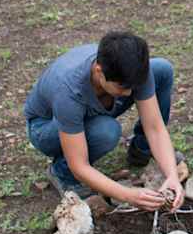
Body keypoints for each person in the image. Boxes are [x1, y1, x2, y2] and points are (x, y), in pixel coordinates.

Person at [24, 31, 184, 210]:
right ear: (99, 71)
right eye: (123, 87)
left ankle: (141, 150)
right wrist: (128, 194)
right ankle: (62, 173)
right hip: (46, 127)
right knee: (106, 131)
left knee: (161, 69)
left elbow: (154, 127)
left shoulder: (133, 71)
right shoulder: (69, 92)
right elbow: (79, 165)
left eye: (133, 87)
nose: (130, 94)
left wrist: (171, 176)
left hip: (91, 107)